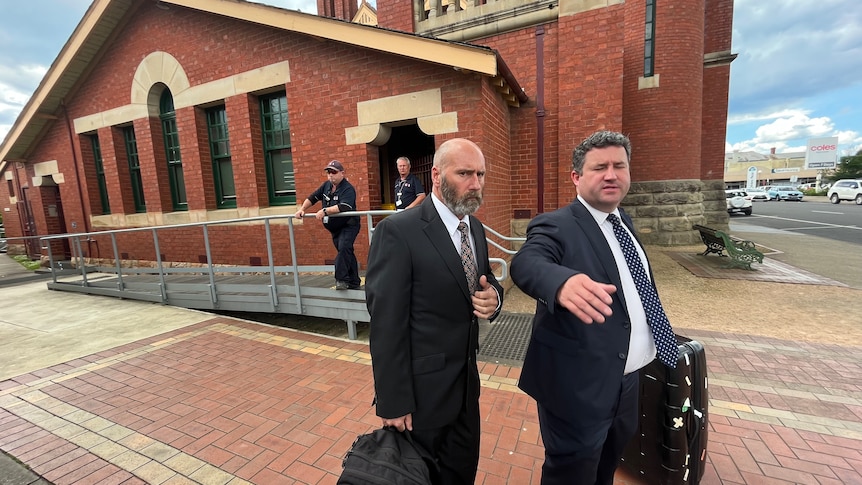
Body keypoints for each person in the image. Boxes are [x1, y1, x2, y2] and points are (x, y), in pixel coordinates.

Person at [511, 130, 676, 485]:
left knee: (607, 466)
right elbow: (527, 262)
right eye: (599, 167)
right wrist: (559, 282)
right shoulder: (556, 224)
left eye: (619, 166)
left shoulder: (623, 221)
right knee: (571, 473)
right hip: (577, 386)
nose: (611, 174)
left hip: (627, 381)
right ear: (576, 177)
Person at [366, 138, 503, 484]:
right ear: (437, 175)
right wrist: (393, 401)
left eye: (481, 174)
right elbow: (386, 323)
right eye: (465, 174)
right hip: (420, 401)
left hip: (466, 393)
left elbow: (482, 283)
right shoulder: (398, 231)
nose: (476, 183)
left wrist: (495, 299)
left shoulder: (475, 227)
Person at [294, 160, 361, 290]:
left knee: (344, 247)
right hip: (335, 228)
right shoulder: (326, 186)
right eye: (328, 172)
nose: (331, 175)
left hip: (348, 225)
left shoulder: (348, 188)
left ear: (342, 173)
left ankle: (341, 279)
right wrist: (302, 209)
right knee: (346, 252)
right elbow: (313, 197)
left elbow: (345, 206)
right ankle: (354, 281)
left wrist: (325, 211)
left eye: (334, 172)